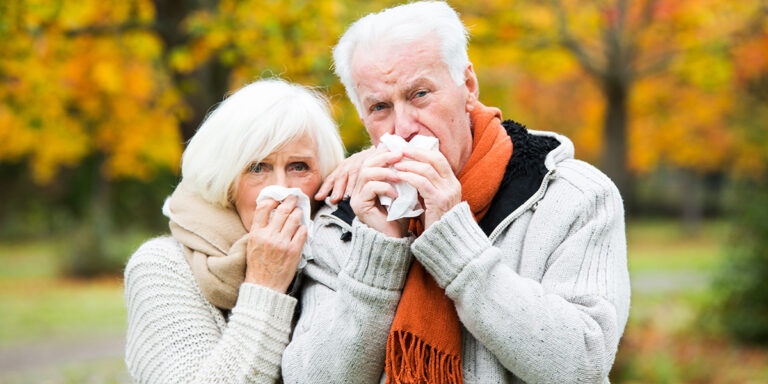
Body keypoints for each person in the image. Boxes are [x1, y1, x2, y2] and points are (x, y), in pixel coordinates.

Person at [282, 2, 630, 384]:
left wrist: (453, 241)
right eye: (380, 107)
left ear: (468, 87)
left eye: (419, 95)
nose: (403, 127)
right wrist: (376, 256)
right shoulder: (343, 220)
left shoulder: (573, 197)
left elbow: (582, 363)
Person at [124, 79, 350, 383]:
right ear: (225, 179)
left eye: (299, 167)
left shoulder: (335, 251)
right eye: (258, 168)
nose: (281, 189)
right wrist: (265, 285)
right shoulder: (161, 266)